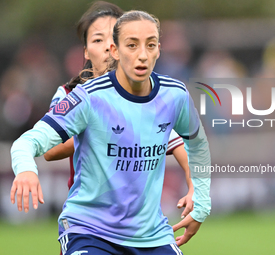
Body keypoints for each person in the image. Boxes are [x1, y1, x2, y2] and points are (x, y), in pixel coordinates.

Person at [11, 10, 211, 255]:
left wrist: (200, 202)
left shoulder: (174, 95)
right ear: (115, 50)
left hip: (151, 236)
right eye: (132, 45)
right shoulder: (86, 97)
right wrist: (26, 170)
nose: (142, 55)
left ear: (158, 49)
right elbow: (28, 142)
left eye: (149, 45)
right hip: (90, 232)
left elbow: (197, 145)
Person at [45, 1, 193, 219]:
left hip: (139, 223)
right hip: (90, 222)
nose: (107, 47)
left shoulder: (147, 94)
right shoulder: (70, 94)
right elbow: (49, 150)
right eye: (98, 39)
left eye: (114, 39)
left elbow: (176, 140)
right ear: (86, 51)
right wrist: (96, 128)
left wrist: (194, 185)